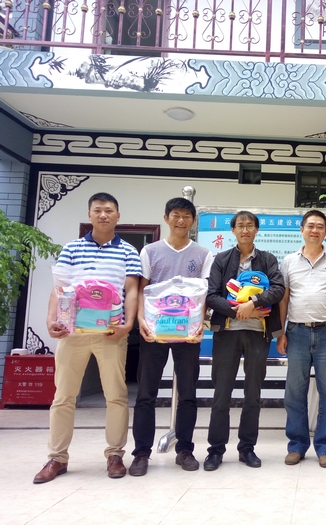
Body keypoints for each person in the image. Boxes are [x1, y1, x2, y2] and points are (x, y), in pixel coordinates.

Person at [34, 192, 142, 484]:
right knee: (63, 396)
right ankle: (57, 458)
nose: (103, 215)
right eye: (98, 210)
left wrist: (128, 324)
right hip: (73, 333)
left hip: (111, 333)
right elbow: (60, 288)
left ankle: (115, 455)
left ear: (118, 216)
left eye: (109, 210)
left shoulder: (128, 252)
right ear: (90, 215)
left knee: (116, 395)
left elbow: (132, 290)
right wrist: (51, 319)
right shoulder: (72, 249)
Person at [128, 197, 213, 476]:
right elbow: (141, 288)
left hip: (188, 333)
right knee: (146, 393)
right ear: (166, 218)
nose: (181, 220)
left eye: (186, 216)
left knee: (188, 393)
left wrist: (200, 325)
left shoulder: (202, 254)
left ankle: (185, 449)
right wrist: (141, 319)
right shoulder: (150, 251)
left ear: (193, 221)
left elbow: (203, 295)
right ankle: (141, 453)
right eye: (176, 215)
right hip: (154, 331)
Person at [203, 210, 285, 471]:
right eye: (240, 226)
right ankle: (216, 450)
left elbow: (278, 289)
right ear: (233, 230)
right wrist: (239, 310)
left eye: (250, 225)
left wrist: (254, 303)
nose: (245, 230)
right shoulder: (221, 259)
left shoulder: (267, 259)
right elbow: (211, 295)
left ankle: (247, 448)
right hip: (226, 334)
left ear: (256, 230)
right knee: (221, 393)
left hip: (258, 334)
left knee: (253, 394)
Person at [277, 209, 326, 468]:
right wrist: (281, 332)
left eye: (320, 226)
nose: (315, 230)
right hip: (297, 333)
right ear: (302, 229)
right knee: (294, 392)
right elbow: (284, 298)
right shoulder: (289, 261)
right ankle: (296, 445)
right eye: (310, 225)